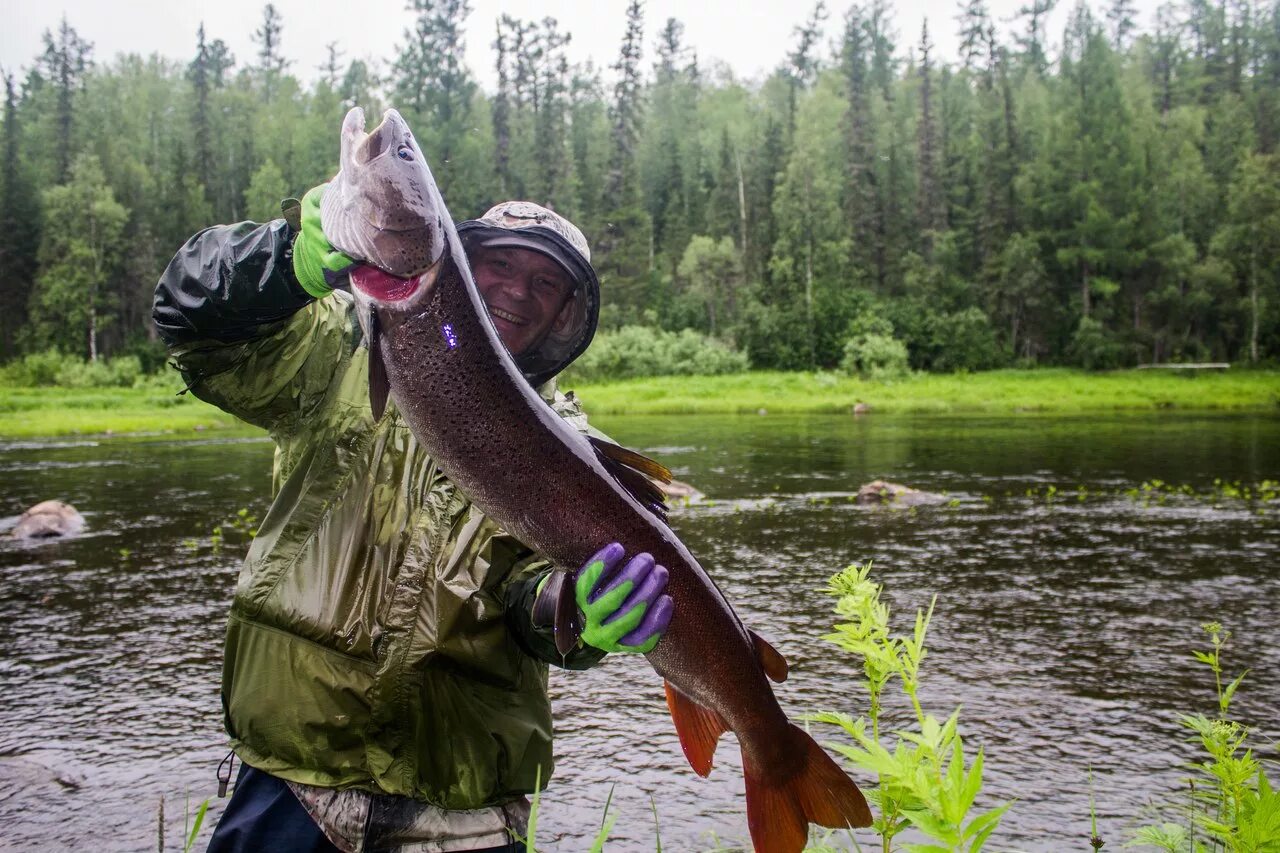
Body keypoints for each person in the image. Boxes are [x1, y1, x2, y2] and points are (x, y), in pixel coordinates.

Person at [153, 185, 674, 853]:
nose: (520, 290)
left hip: (463, 814)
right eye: (503, 264)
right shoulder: (339, 348)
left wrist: (574, 609)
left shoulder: (572, 451)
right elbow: (191, 318)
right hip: (293, 786)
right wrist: (286, 260)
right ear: (460, 261)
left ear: (567, 313)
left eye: (547, 281)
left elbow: (531, 597)